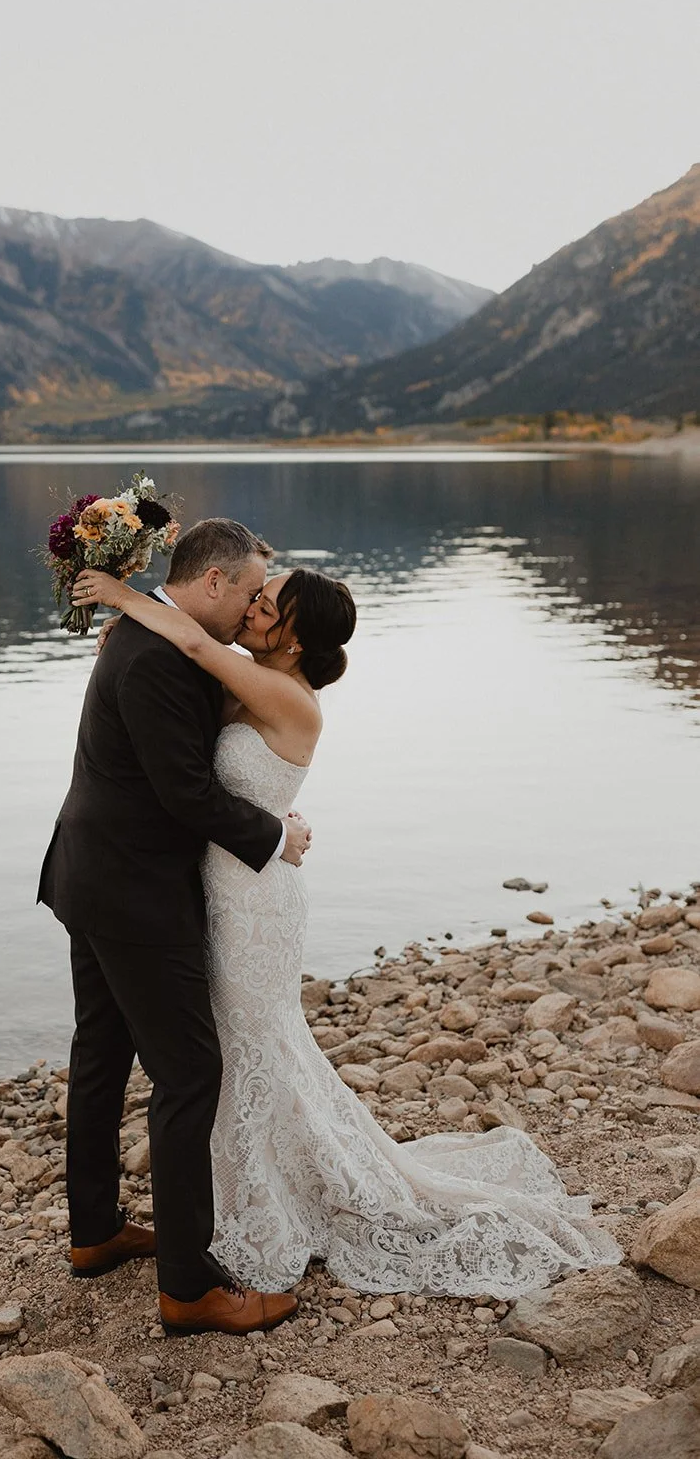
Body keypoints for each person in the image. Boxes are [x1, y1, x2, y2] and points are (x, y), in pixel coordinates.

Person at [72, 562, 622, 1299]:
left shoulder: (285, 696)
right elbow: (190, 671)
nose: (253, 607)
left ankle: (255, 1204)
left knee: (247, 1046)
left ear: (295, 639)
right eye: (254, 595)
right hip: (216, 887)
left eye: (268, 604)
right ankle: (239, 1195)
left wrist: (122, 596)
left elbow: (197, 649)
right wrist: (137, 625)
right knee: (236, 1050)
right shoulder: (245, 675)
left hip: (254, 900)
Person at [38, 518, 311, 1335]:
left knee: (100, 1056)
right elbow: (184, 793)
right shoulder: (156, 653)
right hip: (135, 893)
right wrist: (276, 837)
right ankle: (189, 1288)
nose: (254, 608)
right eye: (251, 592)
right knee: (190, 1075)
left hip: (93, 874)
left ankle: (94, 1232)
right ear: (214, 581)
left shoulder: (148, 635)